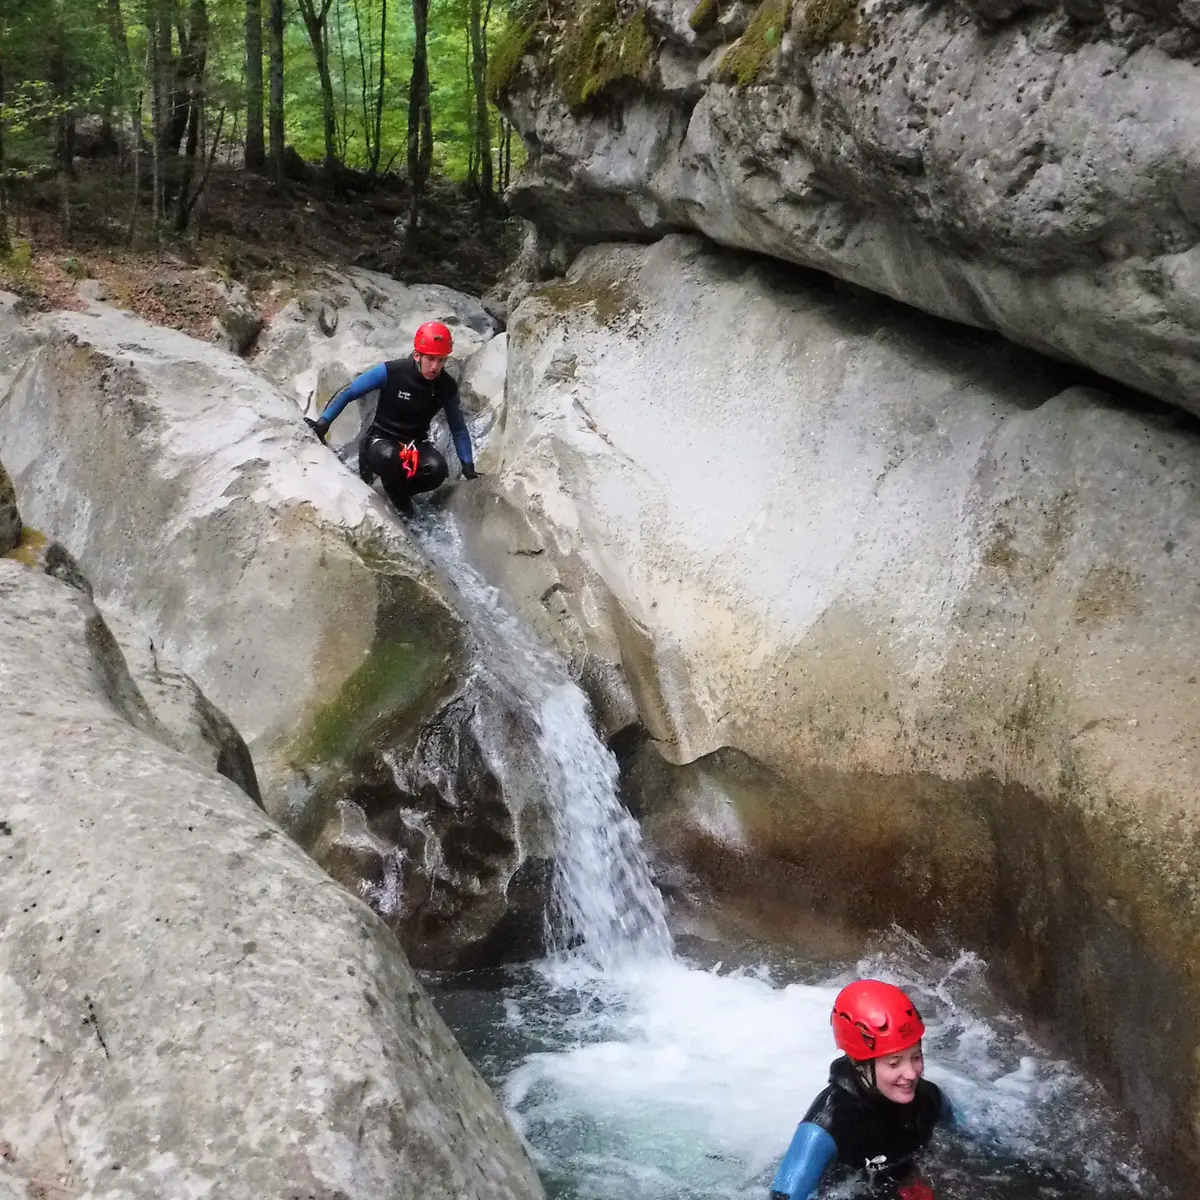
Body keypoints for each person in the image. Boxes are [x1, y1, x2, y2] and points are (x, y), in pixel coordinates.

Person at [769, 980, 950, 1200]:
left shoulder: (929, 1099)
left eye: (916, 1057)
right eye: (894, 1064)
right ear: (860, 1065)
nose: (911, 1074)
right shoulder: (825, 1128)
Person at [305, 320, 478, 514]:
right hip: (380, 440)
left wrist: (468, 467)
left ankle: (396, 492)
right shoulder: (393, 372)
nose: (434, 366)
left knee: (437, 470)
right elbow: (349, 392)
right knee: (391, 457)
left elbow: (458, 428)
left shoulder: (446, 387)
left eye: (441, 360)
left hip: (413, 446)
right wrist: (323, 424)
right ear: (416, 355)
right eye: (430, 358)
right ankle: (401, 504)